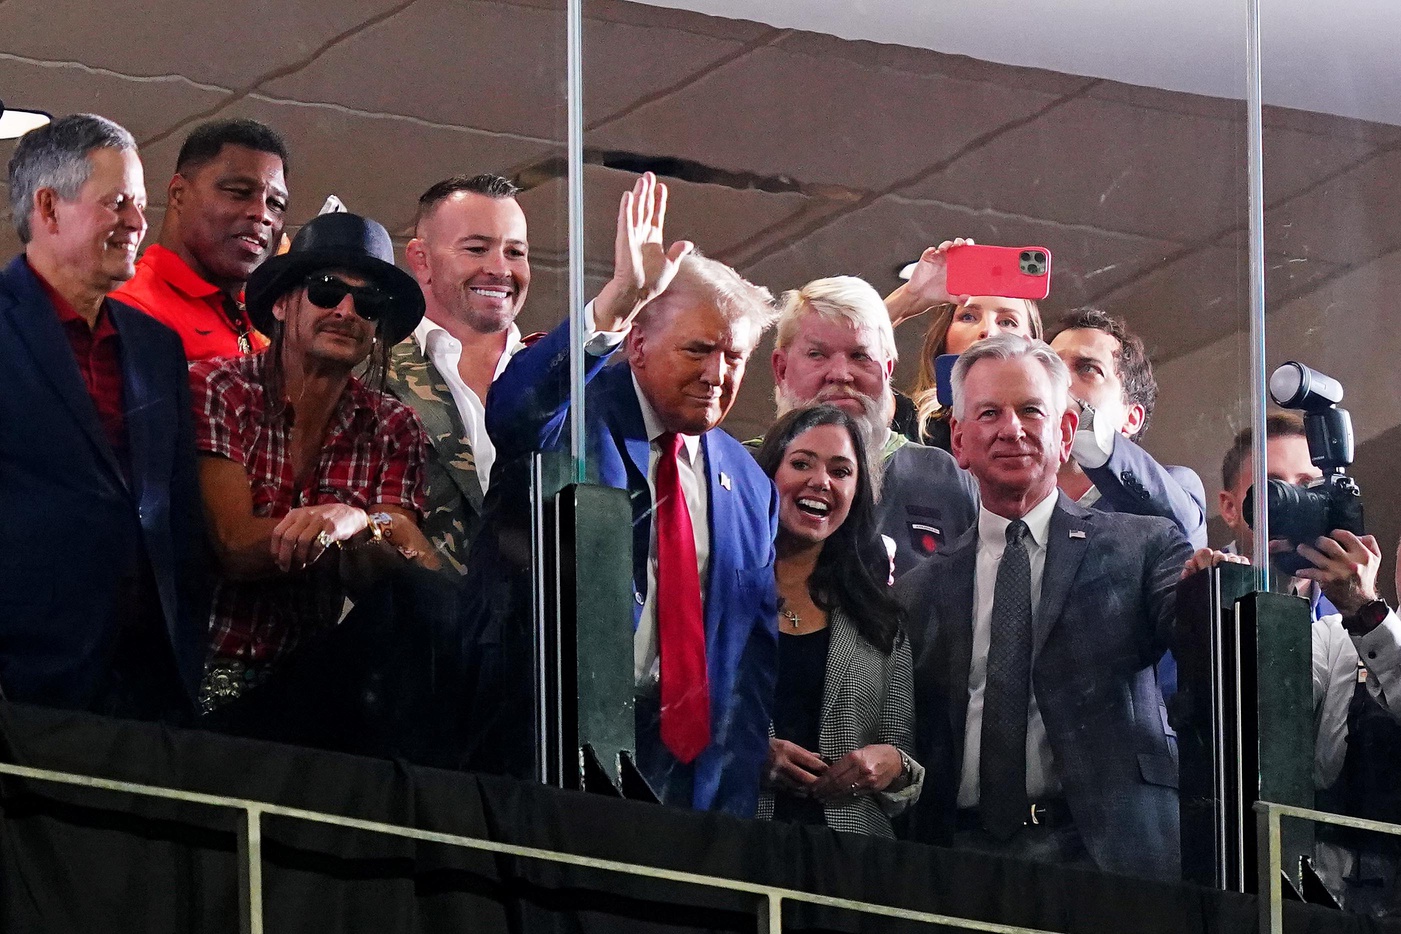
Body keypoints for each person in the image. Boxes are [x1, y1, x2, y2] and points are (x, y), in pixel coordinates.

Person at [482, 172, 780, 816]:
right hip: (550, 758)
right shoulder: (581, 419)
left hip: (686, 786)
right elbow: (515, 413)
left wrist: (732, 816)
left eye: (734, 357)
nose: (717, 374)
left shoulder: (752, 485)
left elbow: (747, 671)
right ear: (637, 344)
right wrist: (615, 301)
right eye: (698, 349)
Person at [895, 332, 1192, 881]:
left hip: (1104, 861)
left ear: (1065, 432)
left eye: (1031, 410)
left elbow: (1208, 658)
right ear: (958, 439)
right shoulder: (917, 592)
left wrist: (1211, 591)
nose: (1011, 429)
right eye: (989, 414)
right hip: (956, 863)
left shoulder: (1142, 547)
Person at [0, 114, 206, 720]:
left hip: (149, 686)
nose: (139, 224)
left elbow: (179, 515)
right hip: (23, 684)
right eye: (118, 203)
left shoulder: (156, 346)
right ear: (49, 207)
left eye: (140, 205)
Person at [190, 211, 437, 711]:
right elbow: (234, 546)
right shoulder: (219, 387)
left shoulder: (394, 426)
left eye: (367, 302)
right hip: (194, 670)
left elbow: (408, 571)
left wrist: (358, 523)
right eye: (327, 291)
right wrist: (340, 528)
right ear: (282, 304)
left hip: (311, 690)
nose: (347, 311)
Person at [753, 404, 923, 837]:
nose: (820, 482)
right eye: (801, 463)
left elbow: (901, 761)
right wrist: (746, 754)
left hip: (853, 864)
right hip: (736, 845)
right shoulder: (714, 593)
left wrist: (894, 766)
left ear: (858, 492)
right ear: (768, 473)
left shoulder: (879, 616)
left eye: (841, 471)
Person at [767, 275, 978, 576]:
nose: (840, 374)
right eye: (817, 355)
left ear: (887, 370)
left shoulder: (943, 478)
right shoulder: (747, 473)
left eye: (860, 356)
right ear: (781, 368)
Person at [386, 174, 538, 574]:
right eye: (476, 248)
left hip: (536, 631)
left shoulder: (559, 377)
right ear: (421, 260)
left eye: (515, 252)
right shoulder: (368, 372)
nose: (500, 269)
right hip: (413, 628)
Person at [113, 118, 288, 360]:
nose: (262, 214)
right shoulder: (130, 311)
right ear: (178, 194)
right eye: (239, 192)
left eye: (276, 204)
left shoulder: (267, 324)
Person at [1049, 308, 1207, 549]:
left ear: (1131, 418)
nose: (1061, 379)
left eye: (1088, 368)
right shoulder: (1002, 490)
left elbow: (1182, 538)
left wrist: (1081, 420)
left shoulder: (1173, 485)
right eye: (1052, 367)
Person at [883, 239, 1042, 448]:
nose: (988, 330)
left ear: (1031, 342)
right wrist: (909, 298)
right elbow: (842, 355)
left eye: (1007, 322)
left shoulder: (1048, 427)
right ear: (944, 338)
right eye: (968, 317)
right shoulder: (911, 424)